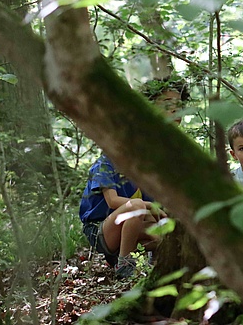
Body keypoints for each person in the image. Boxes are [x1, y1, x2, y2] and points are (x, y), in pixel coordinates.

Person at [80, 79, 189, 278]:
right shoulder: (107, 162)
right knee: (137, 206)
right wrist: (151, 207)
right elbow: (113, 201)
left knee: (163, 233)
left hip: (130, 223)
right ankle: (124, 265)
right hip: (101, 230)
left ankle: (156, 265)